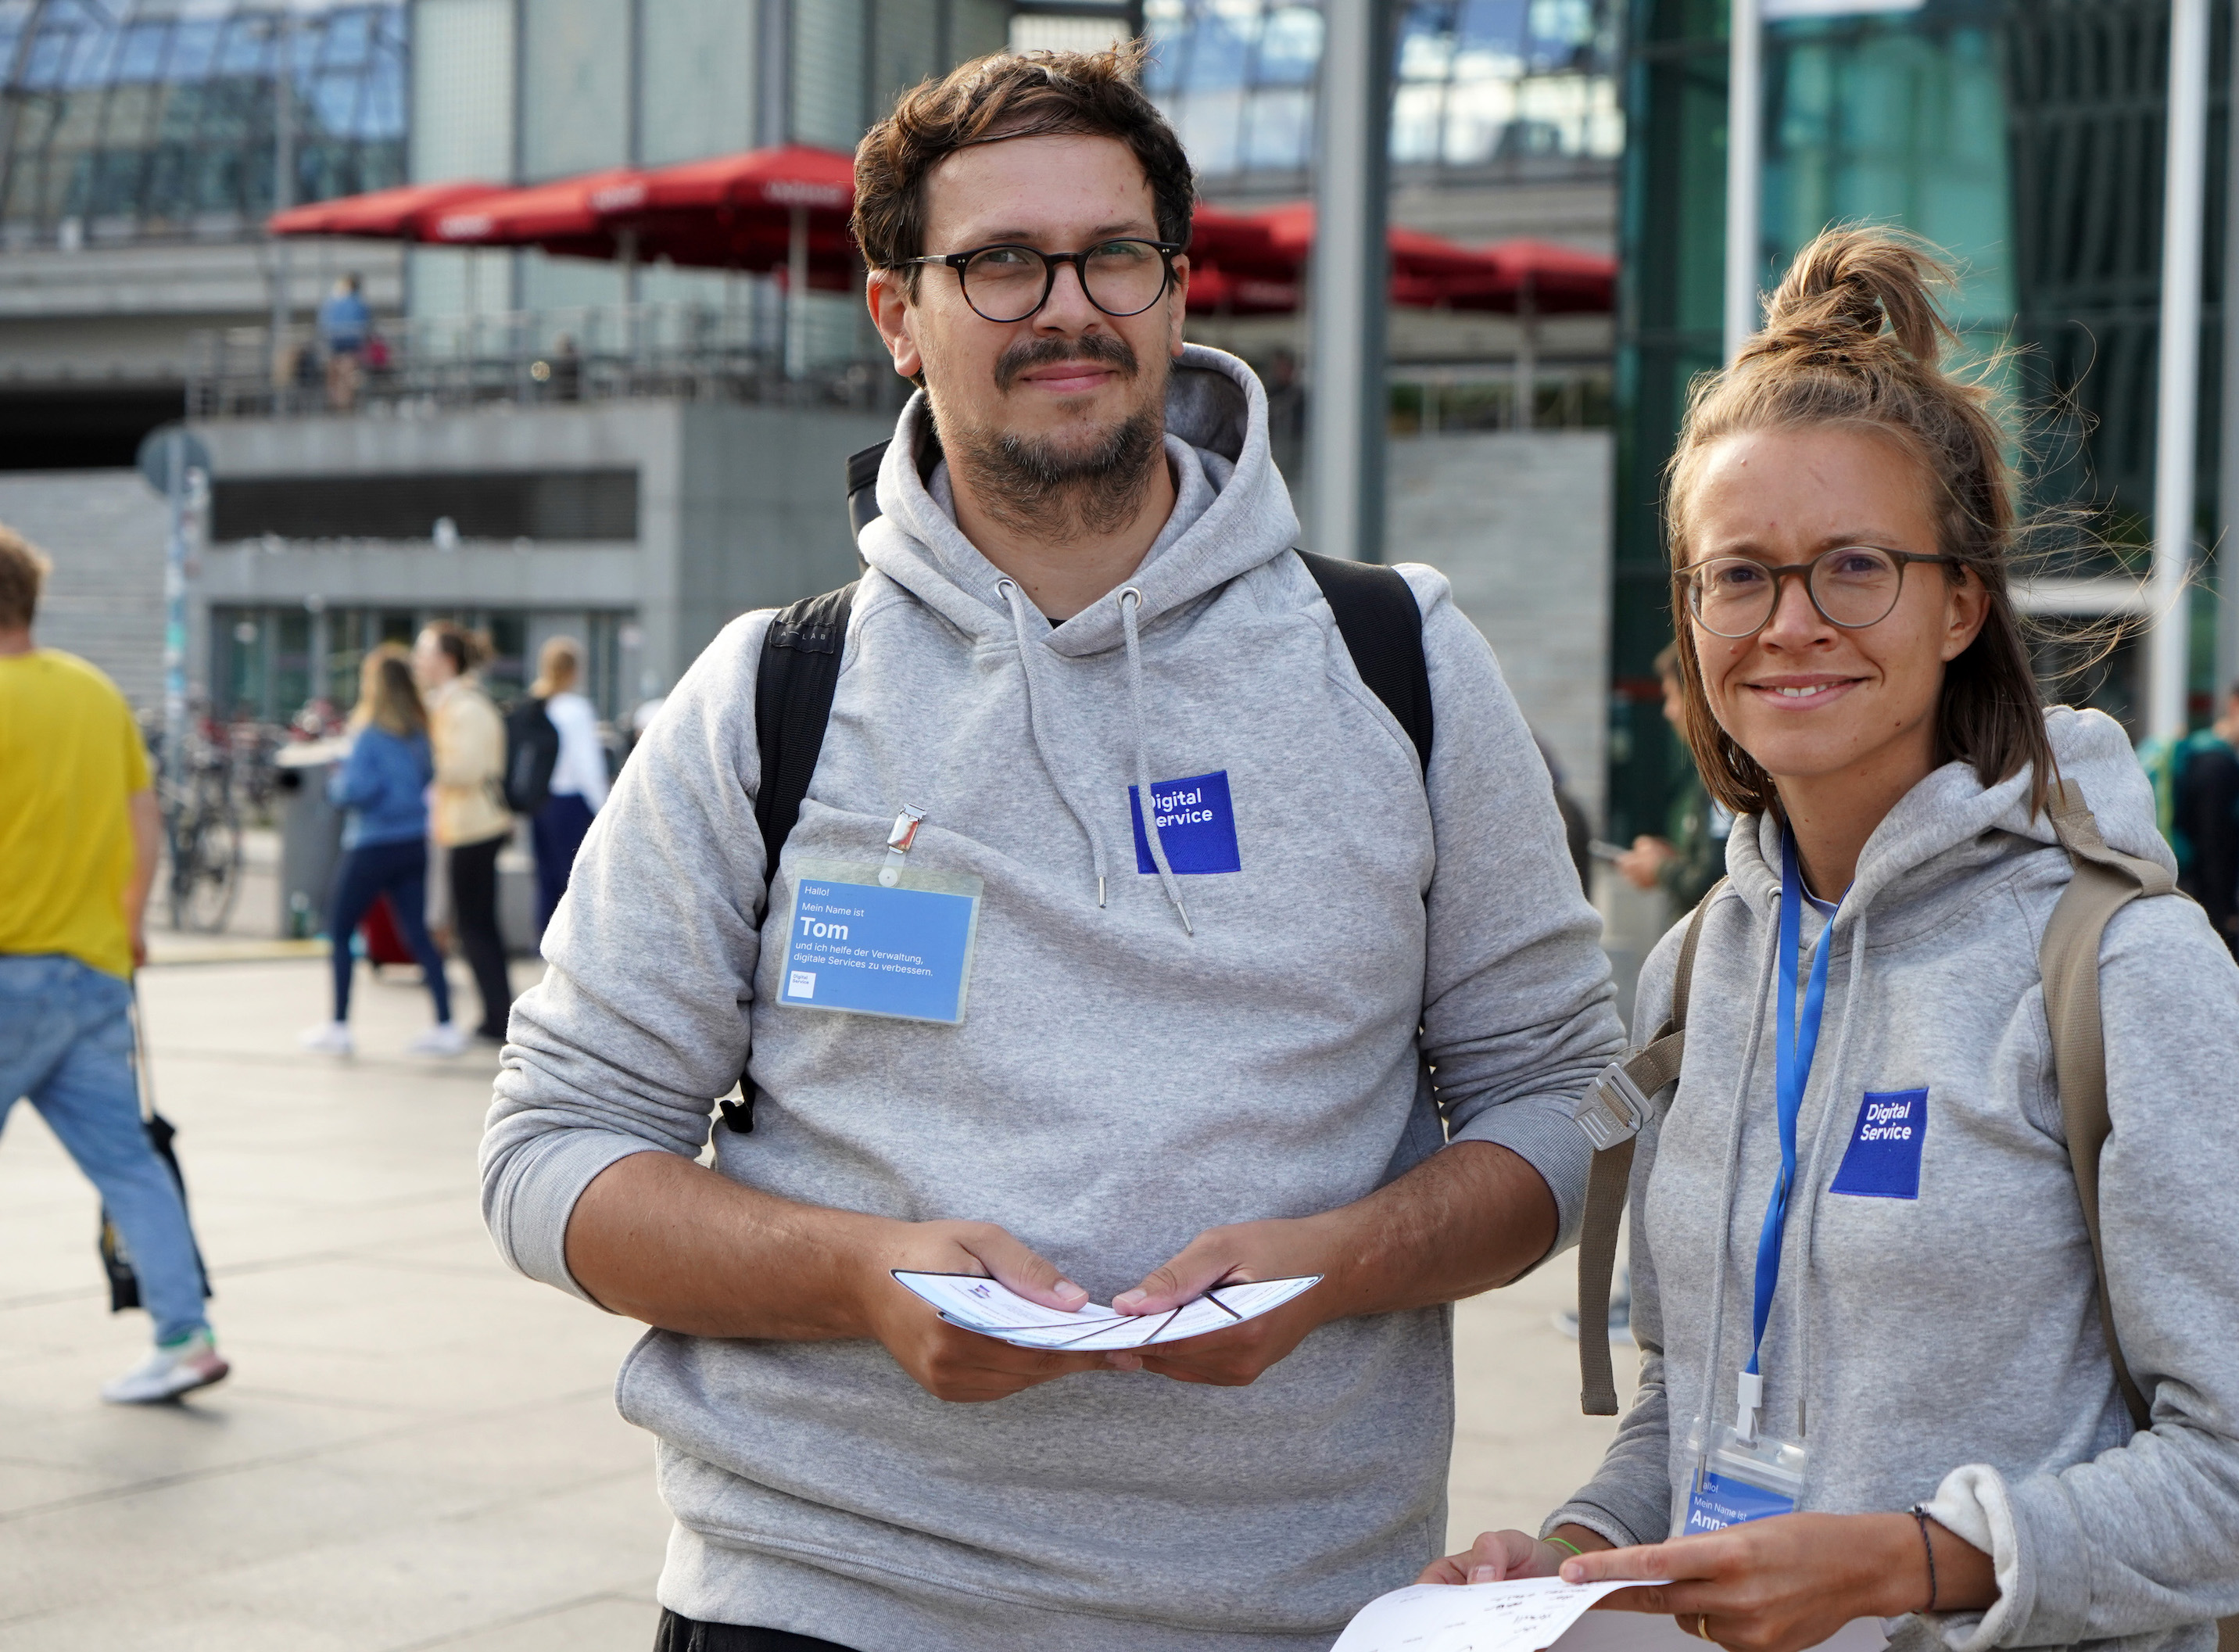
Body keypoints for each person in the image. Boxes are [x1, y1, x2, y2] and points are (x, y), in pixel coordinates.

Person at [481, 46, 1622, 1652]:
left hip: (1290, 1608)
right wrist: (860, 1275)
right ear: (898, 313)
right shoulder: (766, 696)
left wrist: (1348, 1261)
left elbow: (1561, 1099)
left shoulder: (1400, 659)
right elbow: (552, 1155)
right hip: (823, 1597)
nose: (1064, 306)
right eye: (999, 262)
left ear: (1173, 287)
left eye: (1112, 256)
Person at [1424, 228, 2239, 1651]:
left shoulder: (2120, 974)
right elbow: (1693, 1399)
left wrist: (1910, 1560)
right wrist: (1573, 1548)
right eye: (1736, 575)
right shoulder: (1693, 969)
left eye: (1851, 565)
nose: (1788, 623)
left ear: (1959, 603)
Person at [0, 525, 228, 1403]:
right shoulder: (93, 695)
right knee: (128, 1163)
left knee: (127, 1160)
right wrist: (128, 923)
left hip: (9, 966)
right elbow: (143, 821)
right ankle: (185, 1335)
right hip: (92, 971)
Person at [299, 646, 464, 1059]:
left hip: (371, 843)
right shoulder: (419, 732)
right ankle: (446, 1024)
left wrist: (336, 782)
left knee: (339, 930)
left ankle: (339, 1025)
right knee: (419, 935)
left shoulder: (369, 735)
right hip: (412, 842)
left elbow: (357, 790)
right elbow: (428, 775)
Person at [412, 622, 514, 1042]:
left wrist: (424, 764)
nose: (418, 661)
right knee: (475, 925)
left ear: (446, 660)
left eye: (424, 652)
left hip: (473, 828)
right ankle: (495, 1013)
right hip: (467, 827)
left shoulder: (465, 707)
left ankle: (497, 1016)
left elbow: (466, 768)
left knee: (475, 926)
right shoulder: (454, 703)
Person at [2166, 675, 2239, 948]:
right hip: (2205, 904)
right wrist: (2225, 912)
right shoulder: (2220, 767)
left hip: (2186, 890)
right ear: (2237, 706)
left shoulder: (2197, 753)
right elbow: (2214, 845)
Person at [1614, 642, 1730, 909]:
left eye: (1671, 696)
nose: (1668, 711)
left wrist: (1660, 869)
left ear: (1694, 697)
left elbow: (1714, 883)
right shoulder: (1720, 767)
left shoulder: (1730, 771)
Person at [526, 634, 608, 934]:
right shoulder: (576, 709)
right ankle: (573, 943)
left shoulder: (537, 705)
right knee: (574, 879)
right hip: (571, 803)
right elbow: (588, 766)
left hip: (540, 803)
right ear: (575, 669)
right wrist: (604, 807)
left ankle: (543, 944)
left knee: (545, 877)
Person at [318, 273, 371, 410]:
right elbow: (366, 322)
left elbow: (324, 321)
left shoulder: (335, 301)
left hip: (337, 342)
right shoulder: (357, 303)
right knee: (346, 373)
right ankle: (344, 402)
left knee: (337, 374)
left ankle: (336, 402)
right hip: (349, 344)